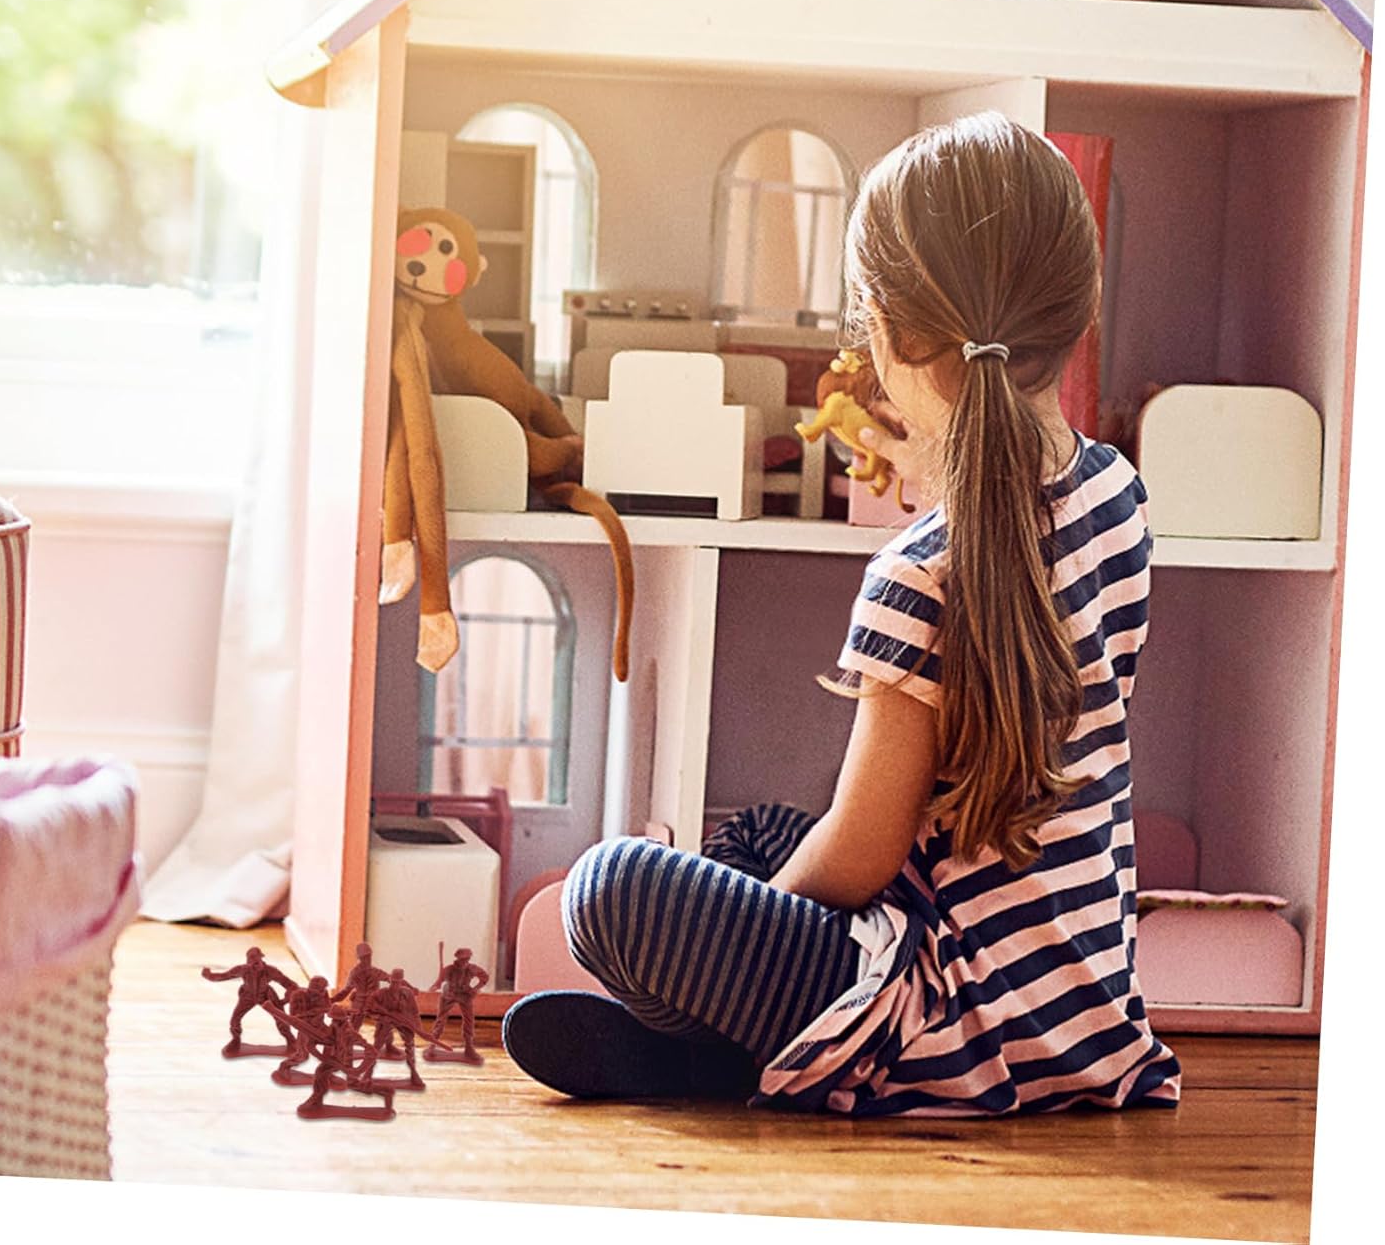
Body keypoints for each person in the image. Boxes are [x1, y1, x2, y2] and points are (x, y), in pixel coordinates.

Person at [502, 112, 1182, 1116]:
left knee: (610, 891)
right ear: (1079, 310)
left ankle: (726, 1057)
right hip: (1083, 1011)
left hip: (938, 1023)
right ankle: (721, 1046)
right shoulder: (1118, 496)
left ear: (889, 334)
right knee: (760, 834)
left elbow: (863, 854)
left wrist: (732, 944)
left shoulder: (922, 571)